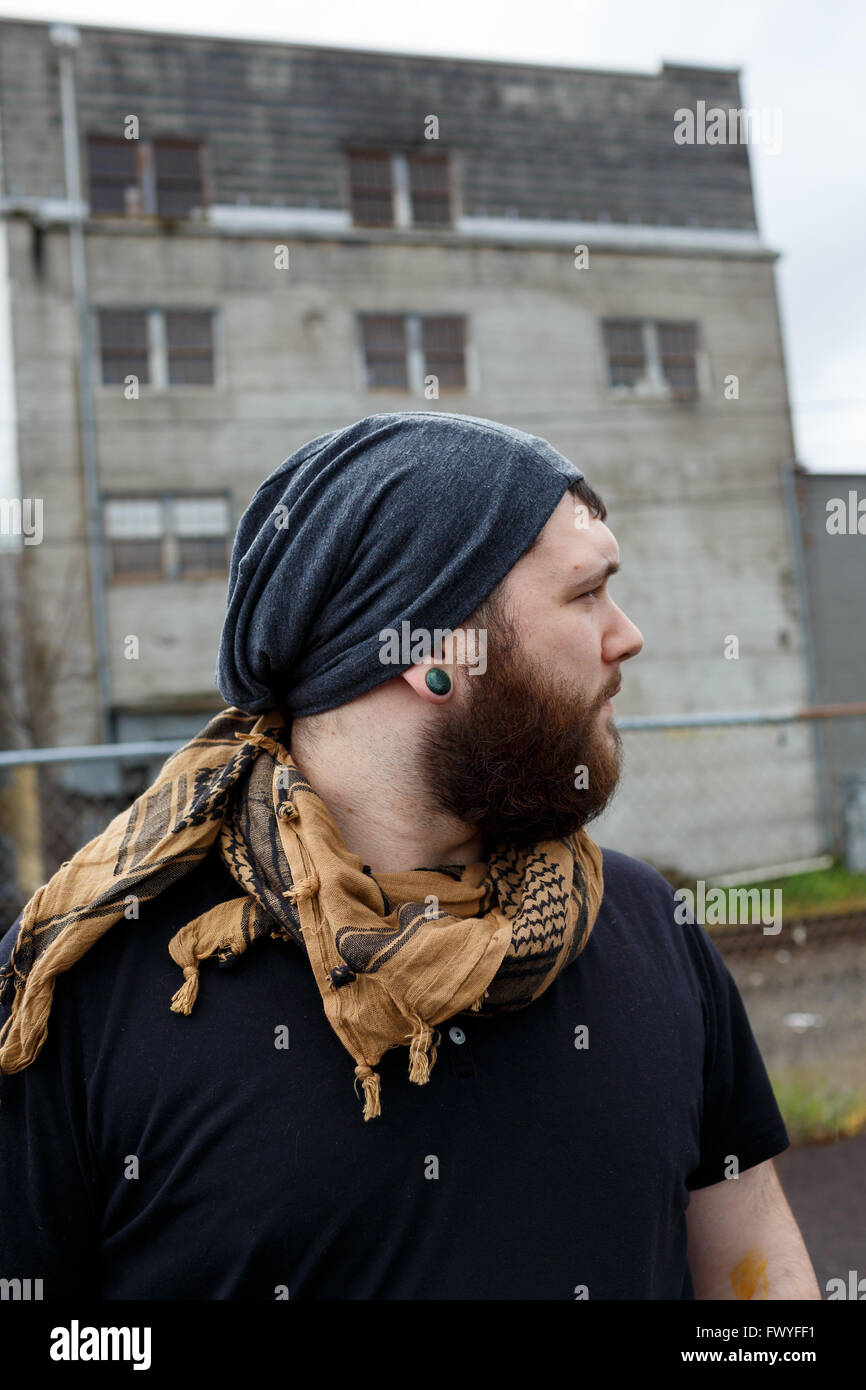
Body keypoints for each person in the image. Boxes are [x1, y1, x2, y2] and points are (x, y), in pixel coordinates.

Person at [0, 411, 819, 1300]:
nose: (626, 635)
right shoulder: (84, 990)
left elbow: (753, 1269)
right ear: (431, 654)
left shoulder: (648, 926)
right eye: (586, 595)